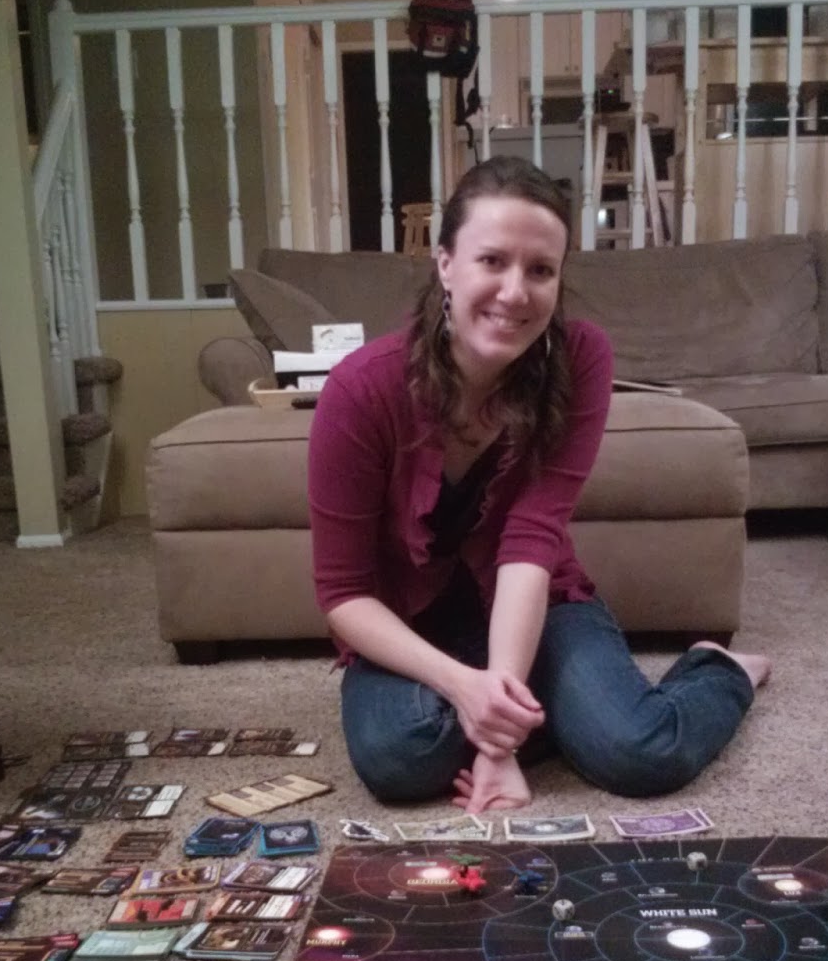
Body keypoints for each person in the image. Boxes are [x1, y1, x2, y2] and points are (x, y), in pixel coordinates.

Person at [307, 156, 768, 814]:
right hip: (410, 624)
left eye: (541, 270)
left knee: (640, 753)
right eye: (492, 261)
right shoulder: (360, 390)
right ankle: (541, 712)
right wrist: (465, 688)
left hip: (536, 601)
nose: (515, 292)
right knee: (398, 759)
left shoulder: (581, 359)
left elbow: (531, 541)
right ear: (445, 263)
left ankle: (720, 671)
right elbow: (343, 595)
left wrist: (497, 748)